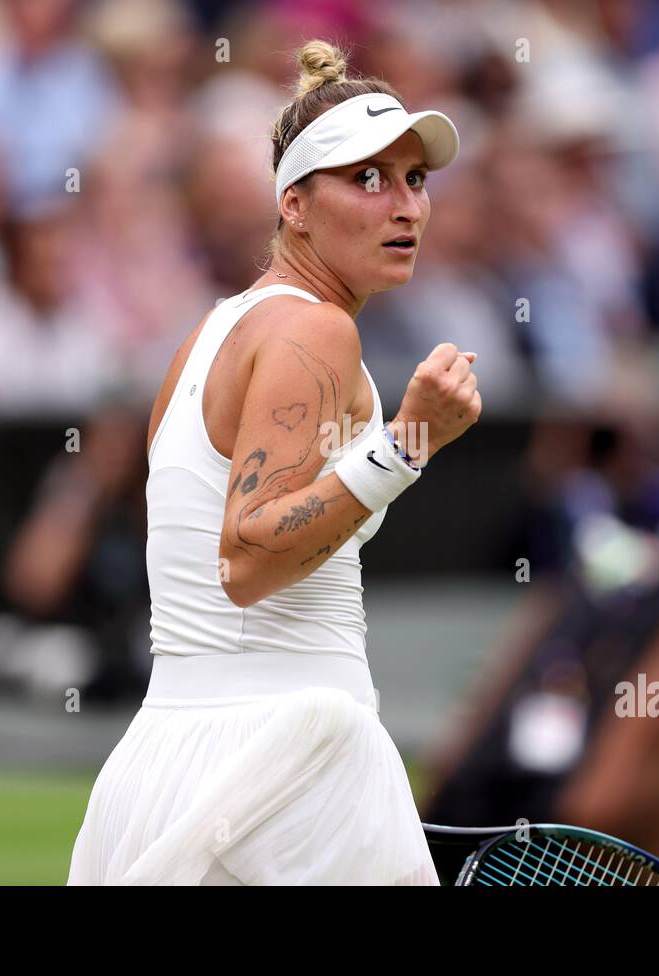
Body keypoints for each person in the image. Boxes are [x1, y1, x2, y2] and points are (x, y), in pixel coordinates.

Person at [67, 40, 479, 885]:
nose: (403, 205)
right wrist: (410, 442)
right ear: (294, 205)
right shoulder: (314, 329)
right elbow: (247, 559)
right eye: (368, 179)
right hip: (286, 764)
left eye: (415, 180)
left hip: (161, 770)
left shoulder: (205, 340)